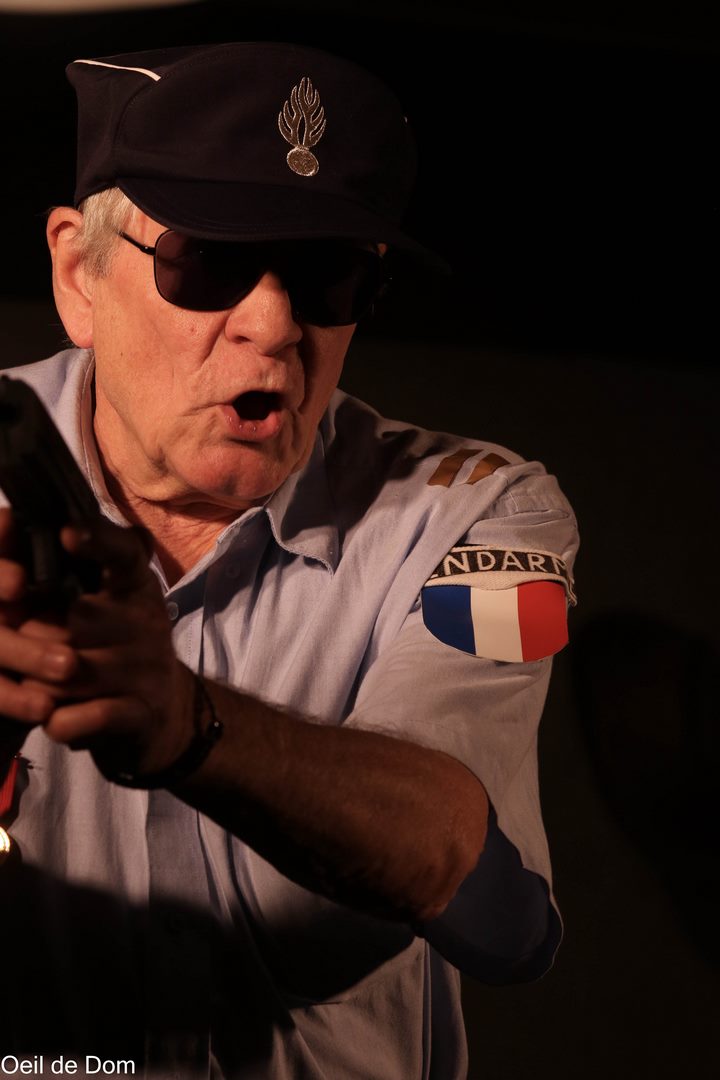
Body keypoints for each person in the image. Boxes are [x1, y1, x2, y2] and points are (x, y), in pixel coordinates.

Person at [0, 42, 578, 1080]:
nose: (272, 326)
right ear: (80, 274)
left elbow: (496, 915)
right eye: (206, 264)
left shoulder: (483, 515)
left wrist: (188, 728)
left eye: (327, 275)